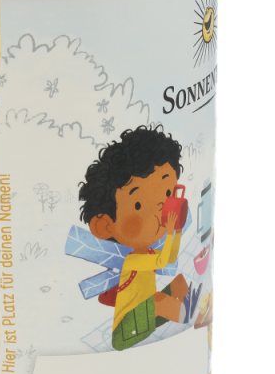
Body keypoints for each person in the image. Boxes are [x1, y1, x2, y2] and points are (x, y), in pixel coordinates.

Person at [79, 125, 191, 350]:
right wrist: (171, 230)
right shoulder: (133, 261)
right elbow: (163, 260)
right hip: (125, 331)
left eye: (166, 194)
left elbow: (169, 257)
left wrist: (176, 228)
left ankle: (193, 315)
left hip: (145, 317)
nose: (160, 208)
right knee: (160, 301)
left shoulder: (148, 253)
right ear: (105, 225)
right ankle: (187, 319)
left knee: (179, 284)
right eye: (139, 204)